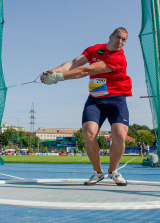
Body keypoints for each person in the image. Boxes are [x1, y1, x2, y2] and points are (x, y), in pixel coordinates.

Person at [41, 27, 131, 186]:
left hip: (116, 99)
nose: (120, 42)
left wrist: (58, 78)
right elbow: (74, 63)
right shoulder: (95, 49)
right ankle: (97, 173)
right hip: (95, 99)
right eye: (118, 37)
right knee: (89, 133)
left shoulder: (119, 58)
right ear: (110, 36)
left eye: (124, 40)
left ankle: (113, 171)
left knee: (119, 136)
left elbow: (86, 70)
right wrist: (52, 72)